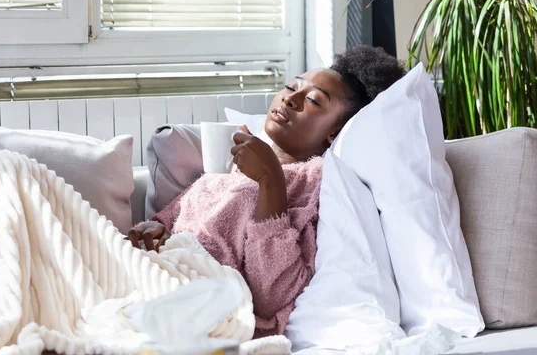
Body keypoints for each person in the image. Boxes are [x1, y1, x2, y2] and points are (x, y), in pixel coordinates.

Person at [126, 46, 407, 338]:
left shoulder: (318, 182)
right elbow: (172, 217)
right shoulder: (233, 163)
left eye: (312, 100)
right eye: (290, 86)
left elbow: (271, 296)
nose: (291, 99)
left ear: (334, 132)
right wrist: (154, 226)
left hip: (204, 302)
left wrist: (270, 180)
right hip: (153, 272)